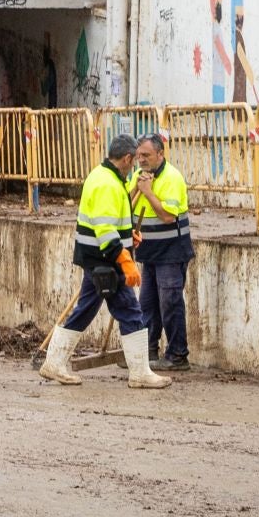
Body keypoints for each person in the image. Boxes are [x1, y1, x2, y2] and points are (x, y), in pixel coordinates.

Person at [37, 134, 171, 389]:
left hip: (97, 258)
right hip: (106, 259)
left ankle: (54, 362)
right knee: (130, 311)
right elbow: (105, 229)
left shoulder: (102, 176)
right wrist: (125, 259)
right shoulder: (108, 184)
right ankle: (140, 373)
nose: (134, 166)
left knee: (86, 308)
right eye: (134, 161)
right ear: (127, 158)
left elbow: (109, 222)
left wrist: (127, 237)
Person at [130, 134, 193, 371]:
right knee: (147, 304)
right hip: (148, 251)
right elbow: (126, 205)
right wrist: (137, 188)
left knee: (170, 303)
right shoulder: (138, 176)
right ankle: (147, 352)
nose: (141, 160)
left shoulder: (172, 178)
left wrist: (148, 192)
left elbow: (167, 216)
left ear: (160, 154)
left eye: (146, 155)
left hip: (171, 252)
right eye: (139, 156)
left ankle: (177, 355)